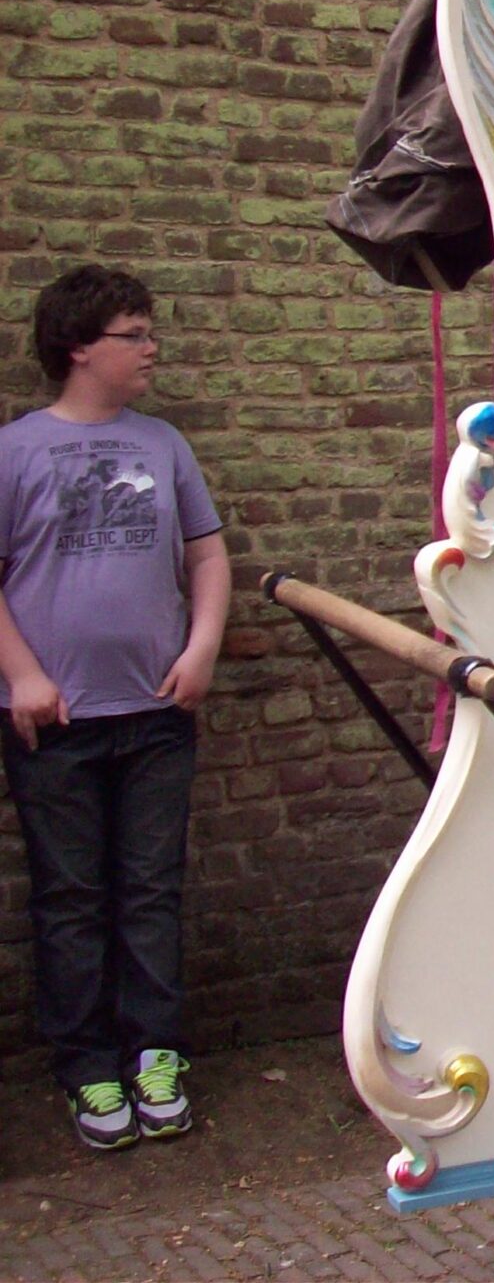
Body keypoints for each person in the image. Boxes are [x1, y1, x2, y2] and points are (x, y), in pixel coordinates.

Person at [0, 267, 227, 1150]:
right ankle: (88, 1068)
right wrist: (22, 674)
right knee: (68, 898)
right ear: (78, 346)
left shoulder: (163, 443)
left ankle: (155, 1053)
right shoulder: (15, 450)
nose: (151, 348)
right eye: (133, 333)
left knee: (149, 892)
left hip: (157, 713)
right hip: (54, 723)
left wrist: (201, 644)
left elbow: (206, 555)